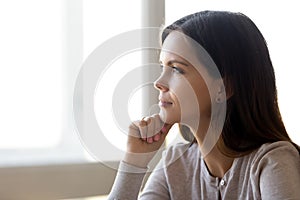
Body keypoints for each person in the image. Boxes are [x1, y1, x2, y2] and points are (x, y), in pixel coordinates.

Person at [108, 10, 300, 199]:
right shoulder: (176, 163)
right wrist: (135, 161)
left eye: (176, 69)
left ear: (223, 88)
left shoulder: (273, 162)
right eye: (162, 67)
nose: (159, 82)